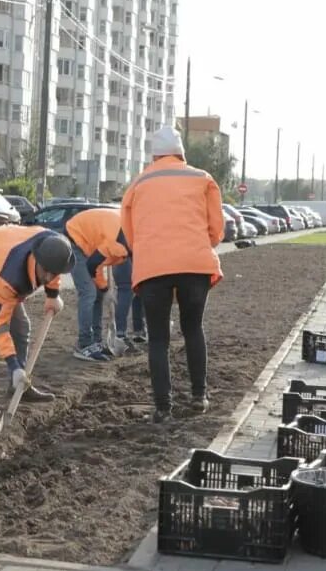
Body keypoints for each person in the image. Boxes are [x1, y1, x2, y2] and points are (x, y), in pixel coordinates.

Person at [121, 125, 224, 423]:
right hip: (196, 264)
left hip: (153, 267)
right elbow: (217, 229)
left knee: (158, 339)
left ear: (154, 155)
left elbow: (128, 232)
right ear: (181, 152)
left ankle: (163, 407)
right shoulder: (202, 178)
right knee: (193, 328)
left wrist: (146, 251)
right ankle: (198, 396)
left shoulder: (139, 183)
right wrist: (200, 245)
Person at [0, 225, 74, 414]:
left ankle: (18, 388)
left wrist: (52, 294)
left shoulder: (54, 246)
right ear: (37, 259)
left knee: (22, 326)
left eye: (54, 273)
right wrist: (13, 365)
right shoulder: (10, 277)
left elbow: (53, 273)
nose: (49, 276)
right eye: (46, 271)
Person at [63, 207, 130, 361]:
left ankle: (97, 341)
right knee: (89, 293)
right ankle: (84, 344)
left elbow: (98, 263)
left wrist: (103, 288)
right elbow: (93, 265)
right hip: (75, 238)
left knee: (98, 293)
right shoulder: (116, 244)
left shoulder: (126, 236)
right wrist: (106, 289)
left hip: (91, 242)